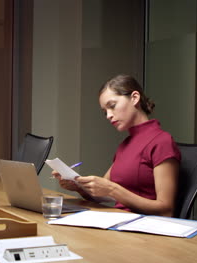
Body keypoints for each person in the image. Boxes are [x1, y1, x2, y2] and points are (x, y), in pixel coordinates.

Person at [52, 74, 181, 217]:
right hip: (118, 221)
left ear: (135, 98)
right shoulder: (125, 145)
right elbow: (102, 195)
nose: (108, 115)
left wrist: (113, 190)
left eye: (112, 106)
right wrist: (79, 188)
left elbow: (166, 210)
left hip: (143, 229)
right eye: (105, 111)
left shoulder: (162, 141)